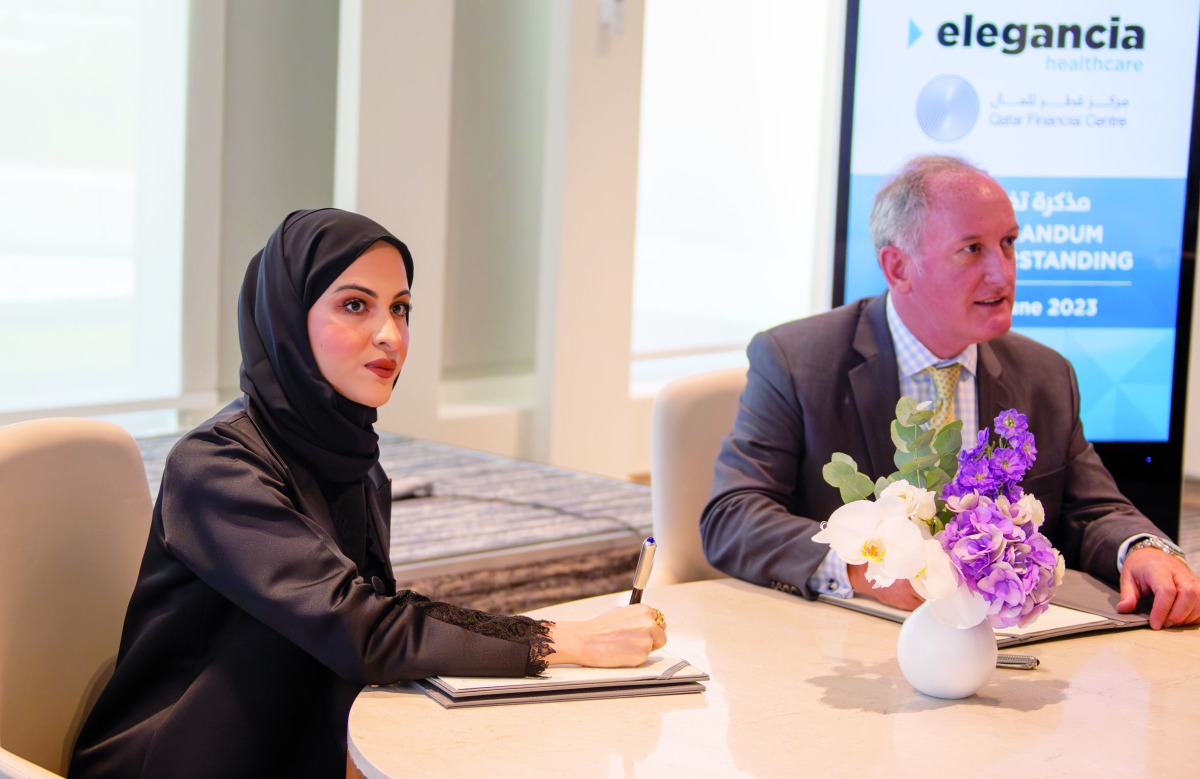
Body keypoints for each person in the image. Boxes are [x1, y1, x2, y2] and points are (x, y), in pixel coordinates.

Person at [69, 209, 666, 778]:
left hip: (303, 751)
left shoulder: (352, 456)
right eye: (356, 305)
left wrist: (547, 644)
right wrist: (564, 640)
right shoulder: (217, 466)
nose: (390, 335)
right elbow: (361, 630)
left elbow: (378, 613)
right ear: (286, 315)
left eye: (400, 308)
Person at [700, 154, 1200, 630]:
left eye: (1008, 243)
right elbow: (733, 515)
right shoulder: (797, 360)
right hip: (842, 652)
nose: (1003, 273)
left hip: (1002, 655)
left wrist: (1143, 548)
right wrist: (859, 573)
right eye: (972, 249)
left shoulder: (1045, 374)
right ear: (899, 268)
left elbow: (1095, 510)